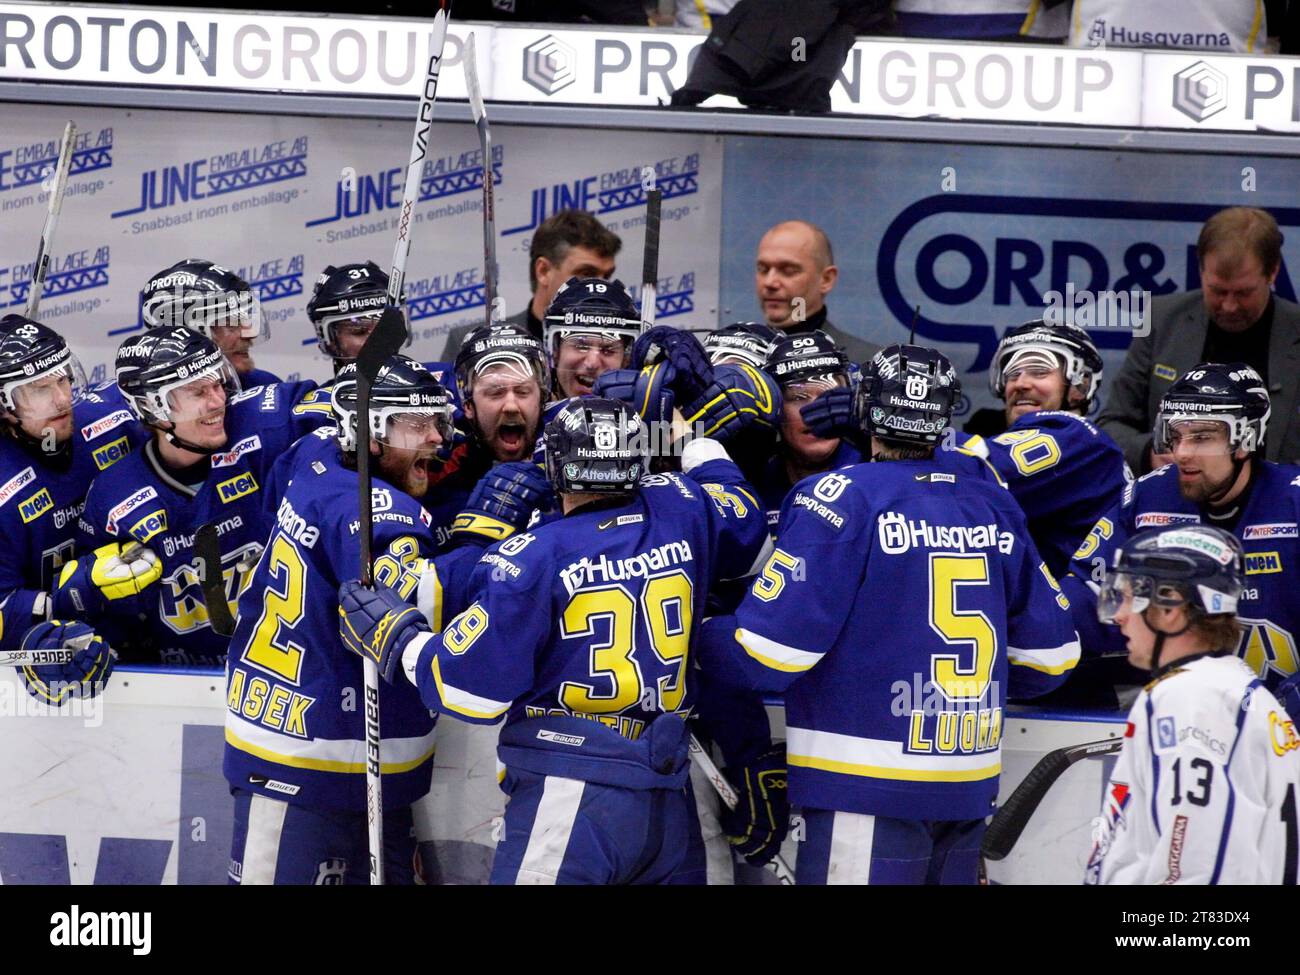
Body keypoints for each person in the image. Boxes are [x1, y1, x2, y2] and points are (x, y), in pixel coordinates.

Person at [336, 397, 771, 884]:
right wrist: (699, 443)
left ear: (554, 466)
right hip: (666, 790)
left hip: (568, 794)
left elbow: (471, 692)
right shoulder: (682, 505)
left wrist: (401, 641)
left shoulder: (530, 556)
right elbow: (747, 523)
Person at [698, 344, 1080, 885]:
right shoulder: (991, 501)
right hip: (966, 788)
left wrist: (694, 637)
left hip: (861, 789)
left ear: (863, 409)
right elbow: (1051, 659)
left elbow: (767, 655)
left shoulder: (838, 496)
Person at [224, 355, 493, 885]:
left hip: (300, 739)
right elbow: (409, 618)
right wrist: (484, 539)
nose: (437, 438)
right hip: (317, 759)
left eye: (436, 421)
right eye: (415, 425)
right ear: (367, 432)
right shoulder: (381, 515)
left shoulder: (314, 454)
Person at [75, 327, 319, 666]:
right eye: (197, 391)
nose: (218, 401)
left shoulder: (264, 426)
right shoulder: (112, 499)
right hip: (180, 686)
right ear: (152, 406)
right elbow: (108, 621)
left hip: (287, 668)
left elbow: (339, 406)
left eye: (218, 383)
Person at [1064, 362, 1300, 696]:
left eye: (1202, 437)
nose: (1182, 453)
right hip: (1180, 715)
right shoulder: (1146, 498)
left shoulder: (1294, 504)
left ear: (1246, 438)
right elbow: (1088, 594)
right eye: (1175, 437)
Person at [1085, 524, 1300, 884]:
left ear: (1170, 605)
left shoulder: (1192, 700)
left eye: (1128, 598)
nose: (1119, 615)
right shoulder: (1232, 689)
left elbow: (1200, 866)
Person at [0, 315, 151, 697]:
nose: (63, 398)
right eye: (39, 388)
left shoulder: (112, 420)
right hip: (77, 652)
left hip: (154, 631)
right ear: (3, 405)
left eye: (64, 378)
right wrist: (64, 602)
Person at [1098, 207, 1300, 472]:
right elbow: (1111, 425)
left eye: (1243, 293)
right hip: (1172, 498)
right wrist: (1150, 451)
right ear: (1201, 269)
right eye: (1217, 290)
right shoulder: (1161, 320)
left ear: (1272, 273)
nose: (1229, 306)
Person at [956, 320, 1129, 576]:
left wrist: (910, 430)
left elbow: (974, 465)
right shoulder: (1085, 443)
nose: (1021, 383)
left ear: (1080, 386)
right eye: (1013, 374)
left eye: (1039, 371)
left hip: (1084, 612)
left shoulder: (1076, 435)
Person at [440, 210, 622, 359]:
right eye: (587, 274)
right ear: (543, 271)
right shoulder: (470, 344)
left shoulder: (622, 348)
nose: (601, 287)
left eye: (606, 276)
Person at [753, 330, 861, 528]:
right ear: (775, 405)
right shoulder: (753, 474)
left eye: (829, 395)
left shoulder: (872, 469)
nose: (815, 411)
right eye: (799, 398)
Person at [139, 259, 280, 389]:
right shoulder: (127, 407)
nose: (251, 333)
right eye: (231, 323)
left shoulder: (264, 386)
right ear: (187, 332)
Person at [753, 220, 879, 365]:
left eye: (788, 271)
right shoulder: (732, 360)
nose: (769, 282)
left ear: (826, 279)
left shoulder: (868, 365)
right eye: (763, 269)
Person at [542, 277, 642, 401]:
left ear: (626, 360)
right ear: (555, 352)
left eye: (608, 350)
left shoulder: (646, 416)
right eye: (581, 346)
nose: (592, 363)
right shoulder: (528, 410)